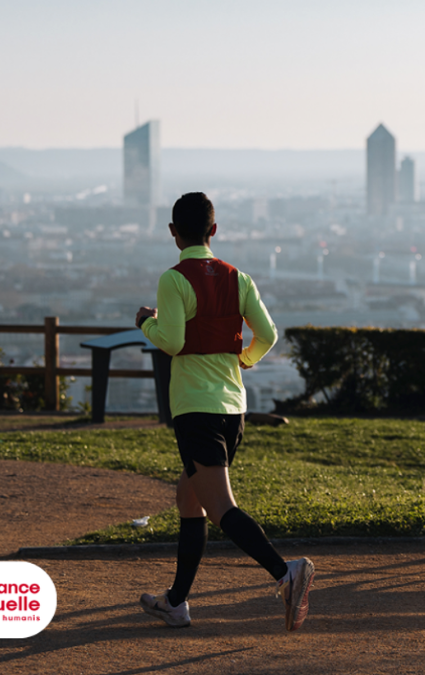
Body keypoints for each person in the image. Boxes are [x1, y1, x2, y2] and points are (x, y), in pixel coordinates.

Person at [135, 192, 313, 631]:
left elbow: (172, 342)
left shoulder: (174, 279)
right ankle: (176, 602)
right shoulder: (239, 279)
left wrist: (146, 322)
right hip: (233, 408)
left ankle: (286, 572)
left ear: (173, 232)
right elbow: (268, 334)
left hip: (195, 409)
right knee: (188, 498)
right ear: (213, 230)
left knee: (220, 508)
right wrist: (244, 360)